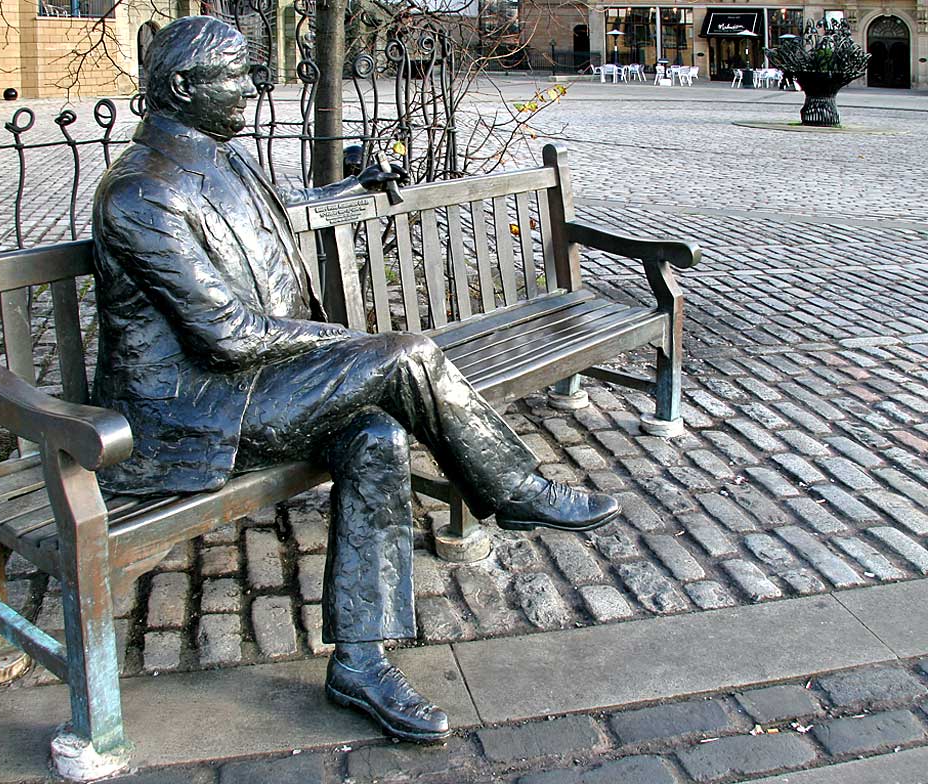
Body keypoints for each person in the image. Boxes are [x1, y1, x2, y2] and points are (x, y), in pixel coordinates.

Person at [92, 15, 620, 743]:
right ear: (181, 87)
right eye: (235, 74)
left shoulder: (217, 158)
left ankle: (361, 663)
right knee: (402, 356)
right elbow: (227, 337)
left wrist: (348, 189)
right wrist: (350, 345)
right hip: (194, 413)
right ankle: (514, 491)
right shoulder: (139, 195)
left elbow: (271, 222)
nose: (253, 86)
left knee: (376, 435)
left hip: (261, 385)